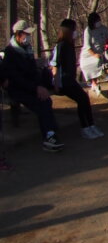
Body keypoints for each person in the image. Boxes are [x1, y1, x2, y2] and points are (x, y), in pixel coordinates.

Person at [0, 20, 64, 152]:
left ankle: (50, 134)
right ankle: (49, 135)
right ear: (18, 34)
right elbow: (15, 78)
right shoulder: (11, 52)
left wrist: (40, 86)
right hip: (17, 89)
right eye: (26, 34)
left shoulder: (27, 50)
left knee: (45, 100)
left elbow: (34, 72)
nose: (28, 37)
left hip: (30, 87)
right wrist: (36, 88)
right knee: (42, 103)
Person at [52, 18, 104, 138]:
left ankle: (91, 125)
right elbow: (55, 65)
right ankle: (85, 127)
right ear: (68, 31)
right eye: (74, 29)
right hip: (63, 82)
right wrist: (55, 84)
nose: (75, 32)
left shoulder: (69, 44)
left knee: (84, 98)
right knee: (82, 99)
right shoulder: (61, 45)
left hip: (70, 80)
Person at [80, 12, 108, 96]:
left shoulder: (103, 28)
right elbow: (87, 46)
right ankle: (94, 83)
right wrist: (93, 54)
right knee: (91, 64)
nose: (99, 22)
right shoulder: (88, 30)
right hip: (88, 54)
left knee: (97, 62)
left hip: (99, 53)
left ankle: (94, 84)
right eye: (97, 20)